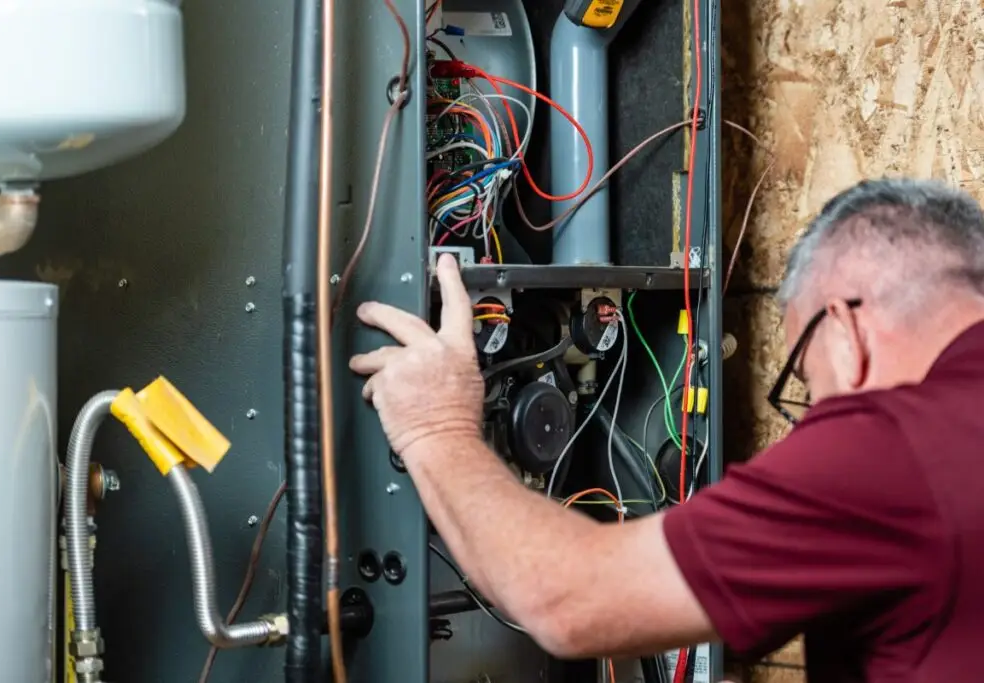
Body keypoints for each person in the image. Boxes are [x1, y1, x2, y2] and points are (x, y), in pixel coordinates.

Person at [349, 177, 984, 682]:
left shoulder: (892, 449)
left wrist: (436, 423)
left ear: (843, 328)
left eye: (810, 388)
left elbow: (568, 601)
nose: (818, 423)